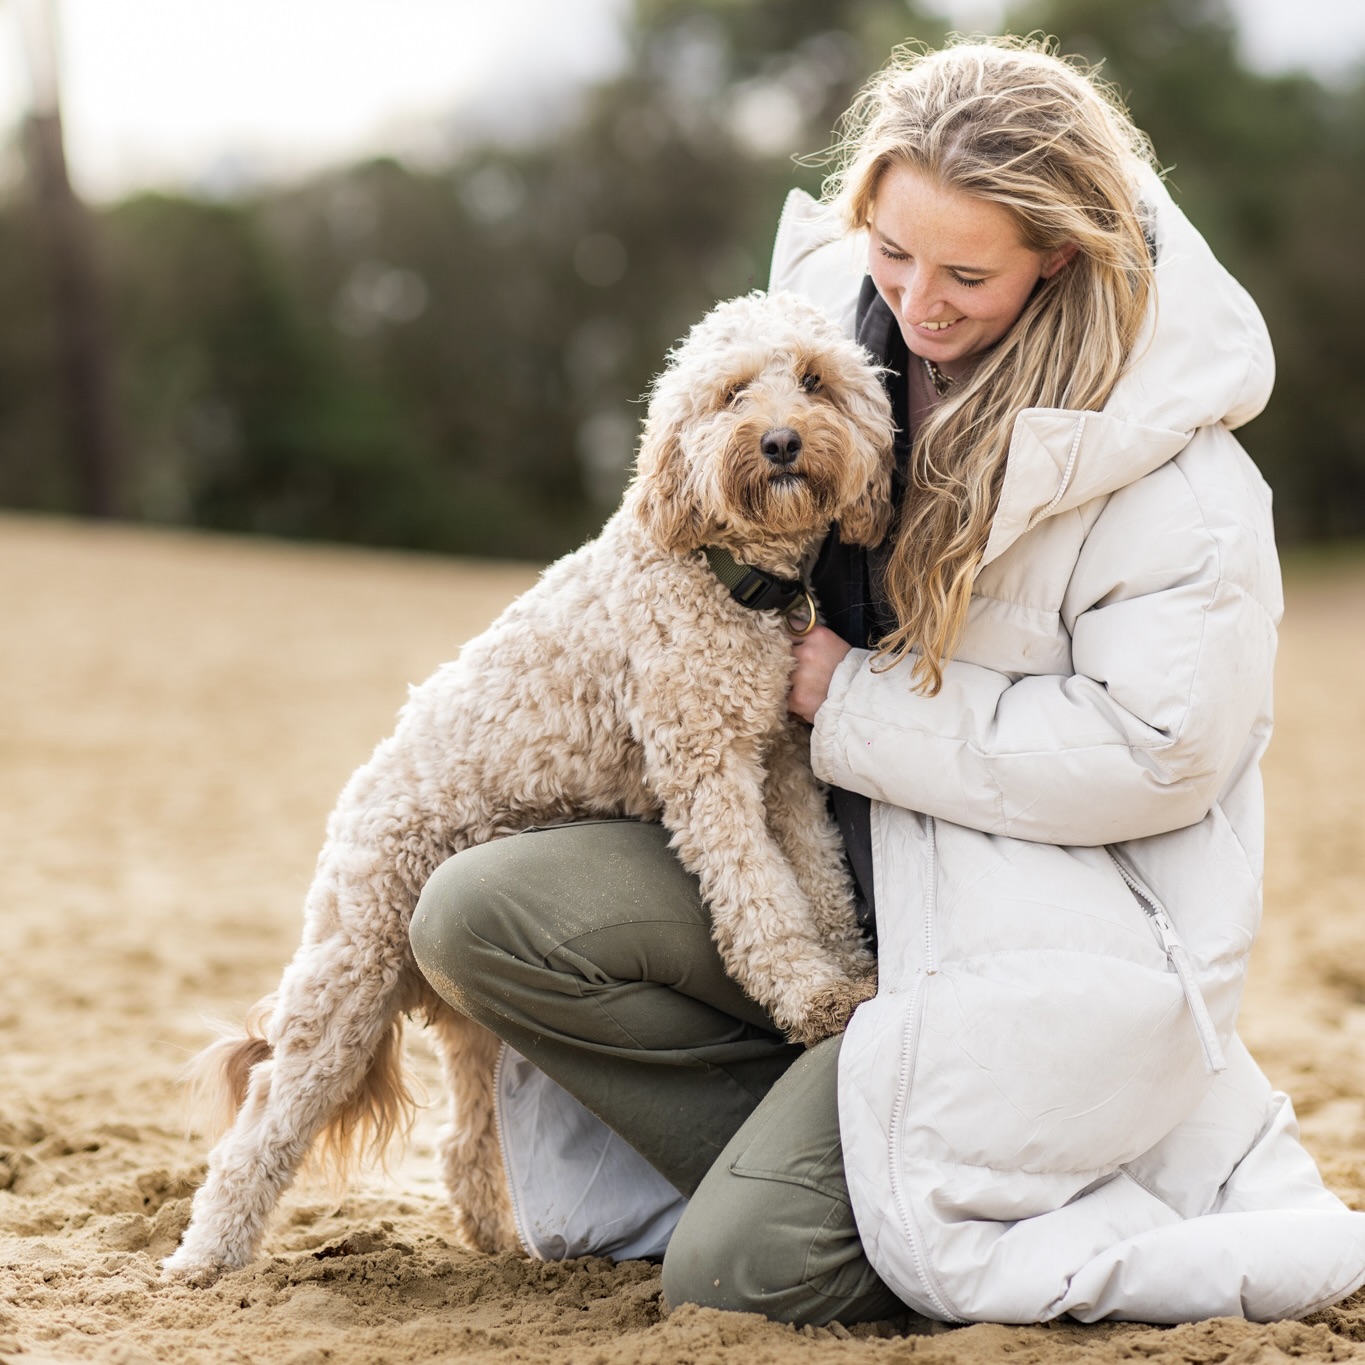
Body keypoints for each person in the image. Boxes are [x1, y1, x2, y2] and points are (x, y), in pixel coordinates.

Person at [408, 38, 1365, 1325]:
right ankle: (829, 1146)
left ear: (1059, 255)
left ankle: (843, 1186)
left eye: (967, 273)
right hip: (823, 879)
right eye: (894, 252)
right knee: (475, 913)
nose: (918, 298)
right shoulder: (816, 360)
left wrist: (846, 701)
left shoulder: (1187, 490)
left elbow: (1156, 757)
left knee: (743, 1273)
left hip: (1027, 941)